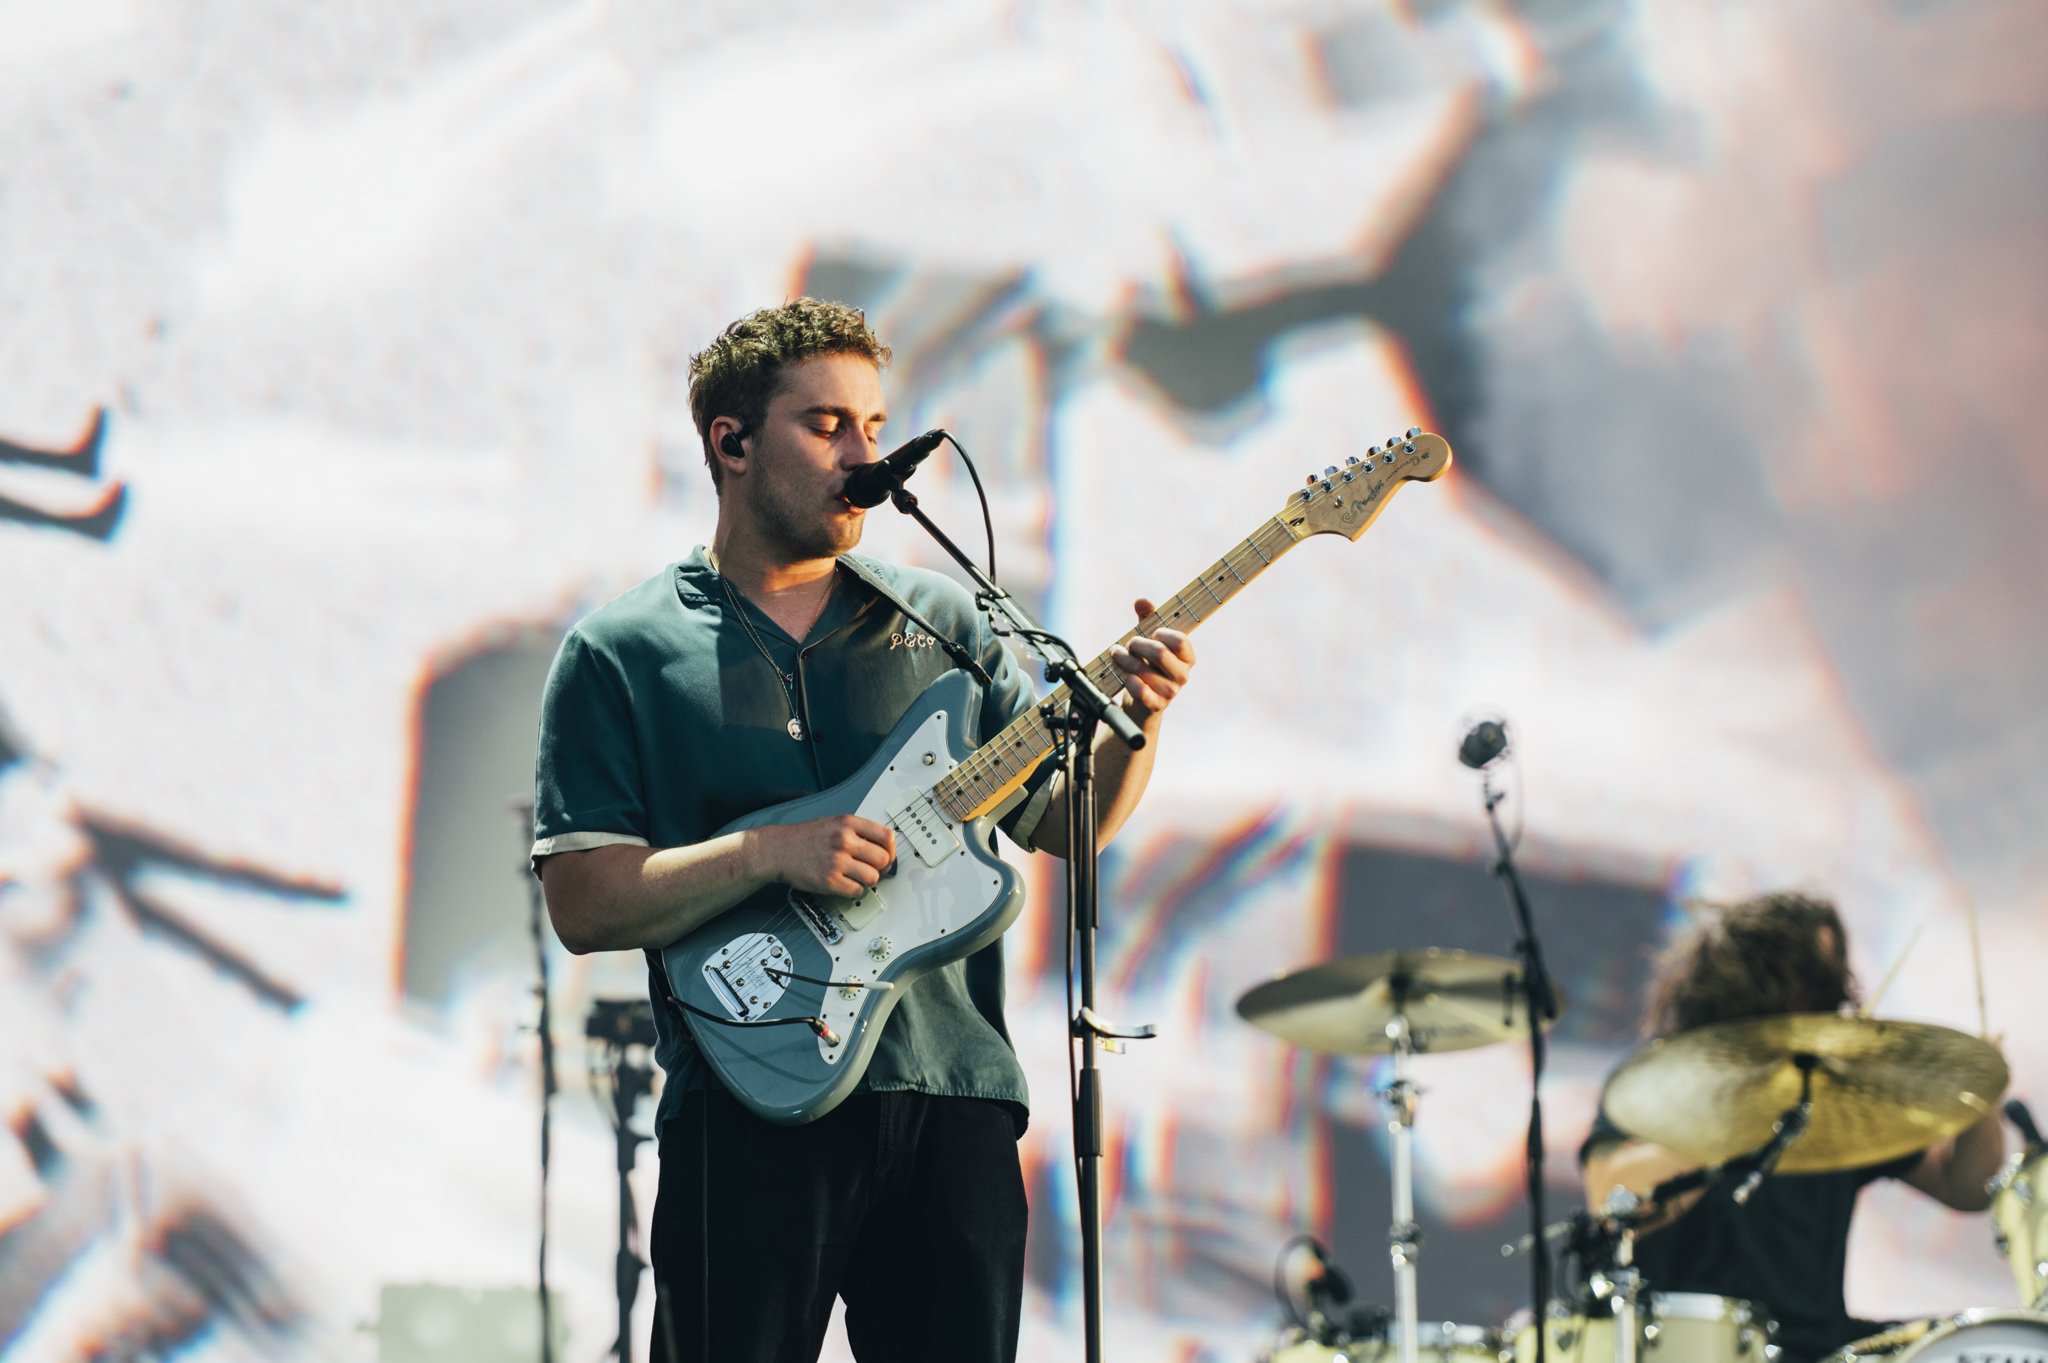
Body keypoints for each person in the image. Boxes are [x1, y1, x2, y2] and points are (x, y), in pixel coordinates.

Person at [529, 298, 1197, 1363]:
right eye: (827, 423)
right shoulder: (622, 649)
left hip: (952, 1091)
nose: (863, 453)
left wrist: (1138, 725)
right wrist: (763, 852)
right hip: (746, 1103)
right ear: (731, 442)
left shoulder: (945, 618)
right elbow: (582, 901)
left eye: (874, 427)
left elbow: (1063, 826)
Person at [1580, 892, 2007, 1362]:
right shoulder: (1661, 1084)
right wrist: (1747, 1113)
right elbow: (1611, 1198)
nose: (1832, 1003)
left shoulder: (1840, 1097)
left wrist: (1981, 1100)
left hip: (1822, 1346)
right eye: (1815, 986)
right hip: (1693, 1344)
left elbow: (1967, 1188)